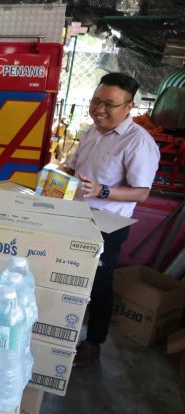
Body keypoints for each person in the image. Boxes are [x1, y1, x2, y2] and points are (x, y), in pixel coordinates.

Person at [60, 72, 160, 367]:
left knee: (99, 284)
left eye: (109, 104)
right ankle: (62, 330)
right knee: (67, 278)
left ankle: (94, 344)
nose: (99, 109)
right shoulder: (93, 130)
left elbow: (141, 193)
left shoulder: (139, 143)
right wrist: (56, 177)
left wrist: (103, 191)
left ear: (129, 107)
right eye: (95, 101)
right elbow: (73, 168)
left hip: (106, 226)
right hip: (75, 216)